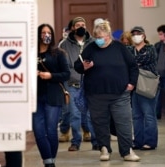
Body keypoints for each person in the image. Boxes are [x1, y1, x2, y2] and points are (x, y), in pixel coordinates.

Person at [74, 20, 140, 161]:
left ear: (109, 35)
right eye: (96, 37)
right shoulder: (90, 48)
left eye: (101, 37)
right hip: (96, 95)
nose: (98, 40)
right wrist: (84, 67)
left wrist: (131, 84)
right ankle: (104, 149)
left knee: (124, 123)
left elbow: (133, 66)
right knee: (100, 123)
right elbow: (77, 65)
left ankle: (127, 151)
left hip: (120, 94)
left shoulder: (120, 48)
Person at [33, 23, 70, 167]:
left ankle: (50, 162)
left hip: (53, 96)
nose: (46, 35)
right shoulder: (31, 53)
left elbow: (66, 74)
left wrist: (50, 75)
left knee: (51, 130)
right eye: (43, 32)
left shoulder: (58, 53)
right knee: (38, 131)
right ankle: (48, 161)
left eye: (48, 32)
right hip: (35, 97)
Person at [59, 16, 97, 151]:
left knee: (90, 114)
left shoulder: (93, 42)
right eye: (78, 25)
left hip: (90, 83)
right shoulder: (64, 44)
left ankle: (95, 141)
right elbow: (64, 65)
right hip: (72, 83)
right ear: (73, 28)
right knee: (74, 114)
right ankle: (75, 142)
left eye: (83, 24)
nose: (81, 27)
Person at [127, 26, 159, 151]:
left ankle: (150, 142)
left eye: (138, 33)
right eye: (133, 34)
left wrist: (133, 62)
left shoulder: (151, 48)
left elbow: (147, 58)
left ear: (144, 35)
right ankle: (138, 141)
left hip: (148, 86)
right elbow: (128, 60)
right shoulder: (130, 49)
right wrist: (136, 62)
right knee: (136, 116)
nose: (136, 36)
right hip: (135, 86)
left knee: (149, 114)